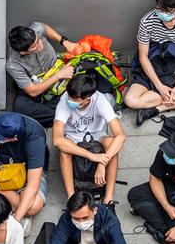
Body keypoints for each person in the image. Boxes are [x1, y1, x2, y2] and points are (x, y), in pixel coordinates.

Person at [53, 74, 126, 204]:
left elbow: (120, 135)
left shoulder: (100, 100)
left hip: (96, 134)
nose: (70, 100)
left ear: (87, 100)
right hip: (72, 136)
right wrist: (91, 156)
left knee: (112, 144)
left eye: (75, 99)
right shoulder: (64, 101)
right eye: (70, 96)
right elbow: (57, 139)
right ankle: (71, 198)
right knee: (64, 150)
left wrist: (102, 163)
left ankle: (108, 199)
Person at [5, 21, 78, 127]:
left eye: (38, 39)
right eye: (35, 45)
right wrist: (58, 76)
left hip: (59, 68)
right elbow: (32, 91)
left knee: (83, 80)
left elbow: (43, 27)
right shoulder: (13, 64)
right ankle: (67, 113)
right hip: (40, 85)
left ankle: (61, 113)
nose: (41, 44)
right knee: (20, 108)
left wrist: (64, 42)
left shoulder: (35, 30)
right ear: (23, 52)